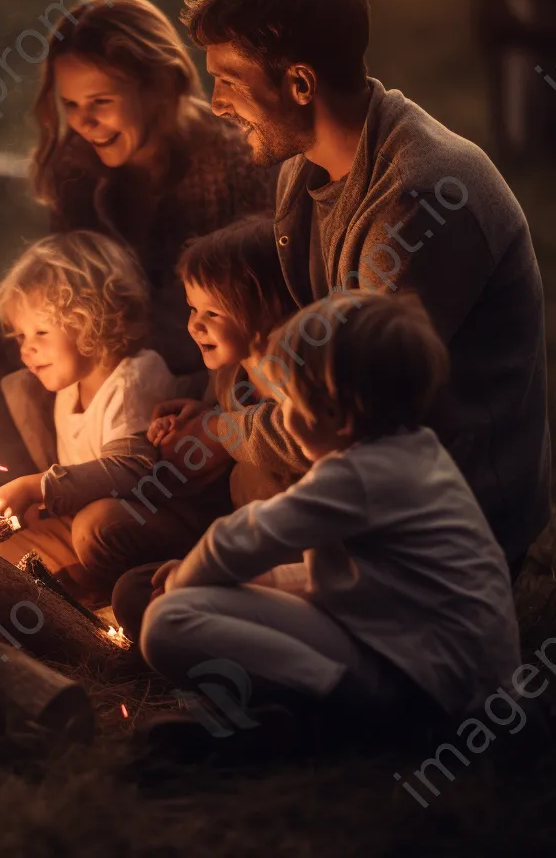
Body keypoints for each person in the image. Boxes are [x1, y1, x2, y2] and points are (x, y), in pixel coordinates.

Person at [178, 0, 550, 572]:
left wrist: (223, 432)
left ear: (299, 83)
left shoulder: (420, 200)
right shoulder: (303, 166)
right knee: (171, 537)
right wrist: (220, 406)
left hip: (440, 519)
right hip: (347, 461)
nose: (215, 103)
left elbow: (356, 410)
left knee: (157, 595)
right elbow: (310, 354)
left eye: (229, 82)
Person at [0, 0, 275, 491]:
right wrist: (41, 334)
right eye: (70, 105)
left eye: (101, 103)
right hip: (80, 375)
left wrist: (205, 406)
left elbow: (260, 312)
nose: (84, 122)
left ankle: (61, 488)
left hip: (181, 393)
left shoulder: (234, 162)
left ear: (157, 88)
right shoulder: (77, 167)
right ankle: (15, 485)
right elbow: (64, 292)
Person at [140, 292, 521, 753]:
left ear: (336, 415)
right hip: (437, 668)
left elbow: (246, 537)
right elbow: (351, 580)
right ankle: (290, 714)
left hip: (426, 688)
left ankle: (334, 711)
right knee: (196, 607)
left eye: (287, 402)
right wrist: (258, 581)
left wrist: (185, 579)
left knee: (167, 622)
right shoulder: (413, 454)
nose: (279, 415)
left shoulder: (357, 475)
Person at [113, 215, 302, 637]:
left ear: (267, 308)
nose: (194, 324)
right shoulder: (229, 374)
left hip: (293, 561)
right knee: (133, 592)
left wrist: (219, 429)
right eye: (192, 308)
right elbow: (227, 415)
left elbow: (280, 437)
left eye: (212, 312)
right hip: (239, 545)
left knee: (168, 610)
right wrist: (199, 415)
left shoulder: (292, 377)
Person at [0, 231, 180, 602]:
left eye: (41, 330)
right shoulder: (67, 391)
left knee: (95, 527)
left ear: (92, 318)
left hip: (151, 520)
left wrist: (38, 487)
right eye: (21, 335)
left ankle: (104, 598)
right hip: (81, 524)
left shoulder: (132, 378)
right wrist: (43, 505)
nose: (27, 348)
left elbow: (133, 469)